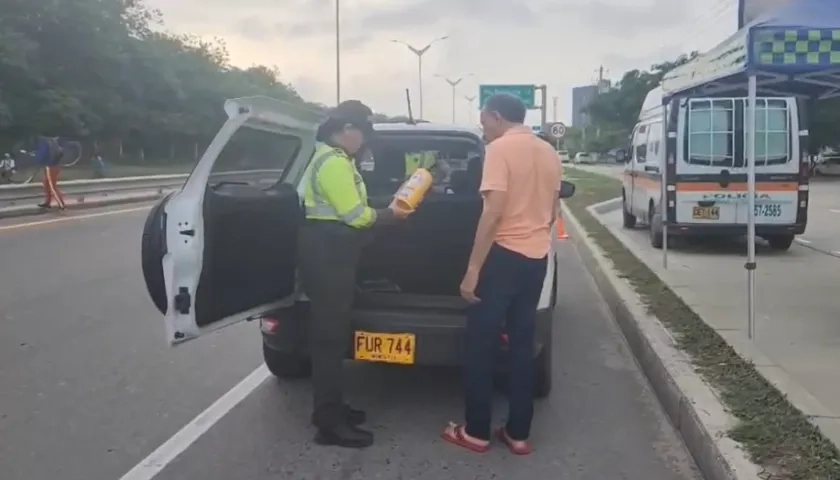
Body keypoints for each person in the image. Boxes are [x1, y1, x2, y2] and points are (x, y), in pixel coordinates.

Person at [441, 94, 561, 455]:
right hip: (536, 257)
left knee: (481, 345)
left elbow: (493, 214)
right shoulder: (548, 152)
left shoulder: (500, 150)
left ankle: (476, 432)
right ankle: (518, 433)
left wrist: (473, 270)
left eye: (483, 119)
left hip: (503, 257)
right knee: (522, 346)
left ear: (496, 116)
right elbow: (553, 210)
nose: (482, 126)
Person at [299, 100, 412, 449]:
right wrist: (391, 214)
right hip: (327, 256)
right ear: (345, 129)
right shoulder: (332, 163)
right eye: (362, 131)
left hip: (330, 254)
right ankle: (329, 424)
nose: (364, 140)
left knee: (332, 337)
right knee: (330, 341)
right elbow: (354, 215)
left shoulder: (335, 158)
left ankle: (332, 409)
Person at [35, 136, 66, 210]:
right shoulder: (53, 144)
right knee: (46, 185)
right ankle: (48, 202)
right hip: (51, 166)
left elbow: (45, 155)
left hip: (51, 167)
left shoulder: (49, 144)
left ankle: (61, 204)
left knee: (52, 187)